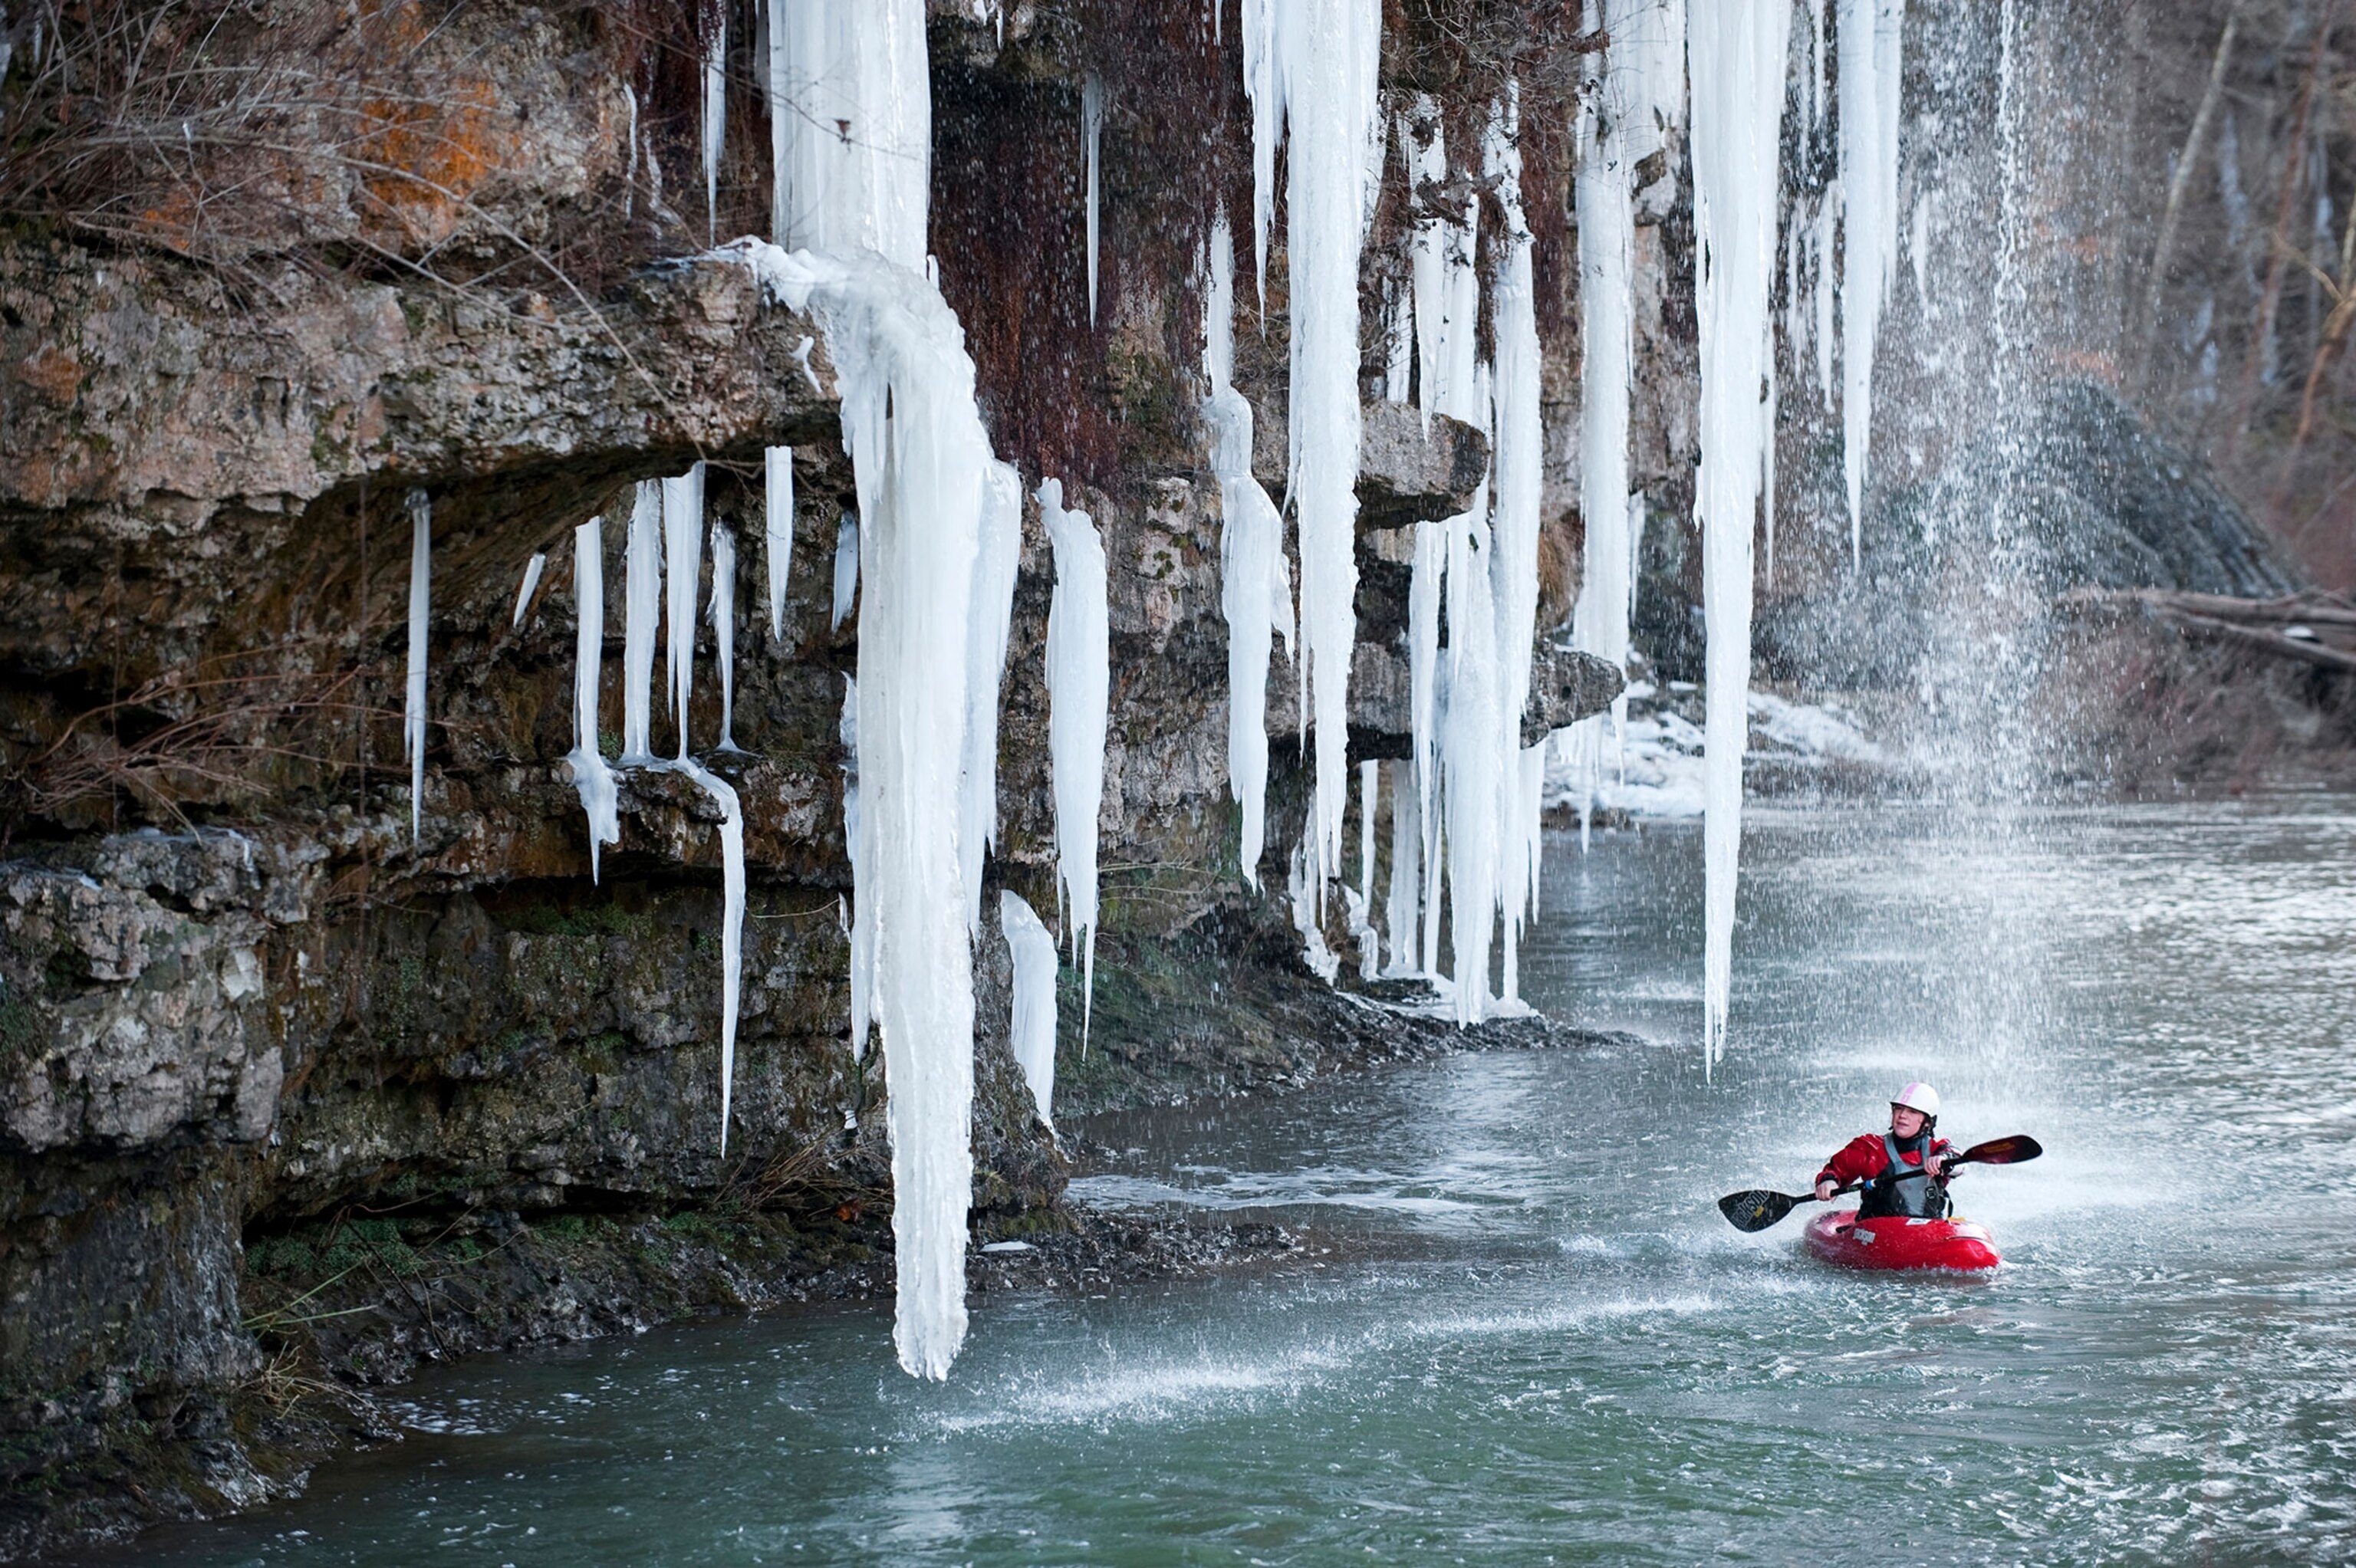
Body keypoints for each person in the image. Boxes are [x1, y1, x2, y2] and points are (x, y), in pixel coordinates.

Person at [1815, 1082, 1953, 1220]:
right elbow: (1835, 1171)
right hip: (1876, 1231)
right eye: (1898, 1109)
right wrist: (1829, 1181)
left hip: (1927, 1231)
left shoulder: (1938, 1150)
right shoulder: (1870, 1148)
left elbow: (1959, 1164)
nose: (1902, 1115)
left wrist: (1944, 1161)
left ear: (1928, 1122)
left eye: (1913, 1111)